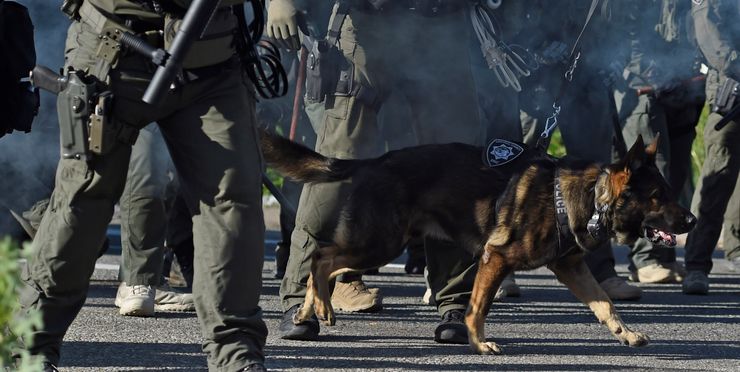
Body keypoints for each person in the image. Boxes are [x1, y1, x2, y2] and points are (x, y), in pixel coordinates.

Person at [18, 1, 268, 371]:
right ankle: (28, 348)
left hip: (213, 55)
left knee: (232, 201)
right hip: (115, 48)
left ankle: (237, 356)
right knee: (83, 203)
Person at [267, 0, 484, 344]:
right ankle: (298, 299)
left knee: (449, 171)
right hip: (367, 25)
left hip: (442, 27)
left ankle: (456, 303)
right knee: (338, 163)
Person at [518, 0, 642, 300]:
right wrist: (538, 46)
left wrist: (617, 57)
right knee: (518, 170)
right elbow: (511, 15)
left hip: (589, 78)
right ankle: (502, 264)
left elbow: (628, 21)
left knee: (598, 176)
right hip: (535, 76)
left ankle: (602, 271)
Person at [616, 0, 705, 284]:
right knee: (655, 174)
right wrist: (655, 71)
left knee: (676, 174)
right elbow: (621, 34)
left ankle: (664, 254)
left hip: (683, 91)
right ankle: (646, 259)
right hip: (642, 88)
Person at [682, 0, 740, 295]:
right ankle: (696, 265)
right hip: (731, 98)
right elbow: (713, 42)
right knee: (716, 184)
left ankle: (736, 249)